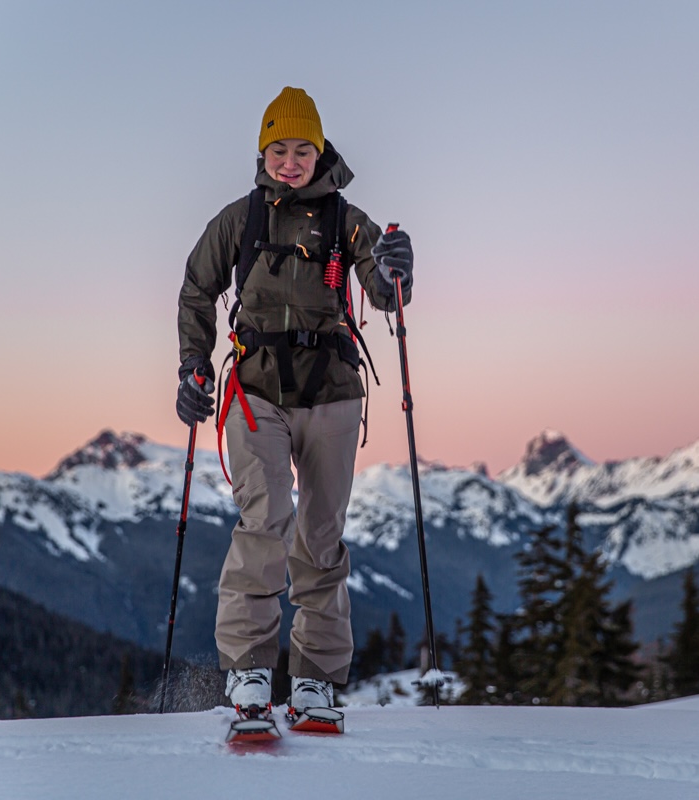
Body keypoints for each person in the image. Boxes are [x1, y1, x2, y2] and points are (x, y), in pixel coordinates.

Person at [174, 87, 413, 715]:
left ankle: (314, 678)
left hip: (333, 393)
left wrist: (395, 273)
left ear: (320, 151)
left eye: (301, 149)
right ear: (263, 151)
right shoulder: (239, 220)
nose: (289, 160)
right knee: (265, 520)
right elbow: (197, 289)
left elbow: (384, 292)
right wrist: (193, 366)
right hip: (256, 392)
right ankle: (250, 670)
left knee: (322, 535)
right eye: (278, 148)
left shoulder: (347, 220)